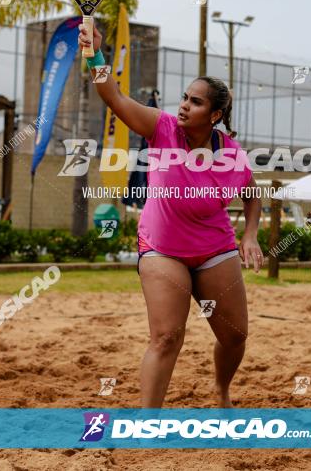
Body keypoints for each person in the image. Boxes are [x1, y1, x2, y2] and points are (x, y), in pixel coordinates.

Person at [79, 22, 264, 408]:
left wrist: (250, 236)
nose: (184, 105)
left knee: (235, 336)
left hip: (214, 250)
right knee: (166, 337)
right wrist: (96, 55)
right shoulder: (161, 128)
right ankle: (149, 423)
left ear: (215, 115)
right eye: (185, 97)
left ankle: (222, 392)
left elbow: (251, 194)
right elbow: (112, 96)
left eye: (196, 102)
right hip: (163, 249)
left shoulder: (232, 153)